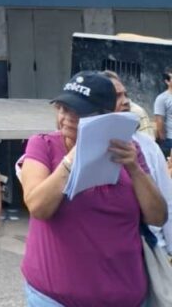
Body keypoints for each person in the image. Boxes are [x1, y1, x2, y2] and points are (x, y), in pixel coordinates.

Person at [19, 71, 167, 306]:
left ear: (106, 118)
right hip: (55, 299)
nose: (66, 117)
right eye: (62, 108)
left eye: (78, 112)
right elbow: (38, 206)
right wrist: (72, 159)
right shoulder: (43, 145)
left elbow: (158, 216)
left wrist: (135, 170)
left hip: (126, 296)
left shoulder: (129, 151)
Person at [103, 70, 172, 258]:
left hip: (148, 248)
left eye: (126, 95)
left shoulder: (147, 146)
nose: (126, 101)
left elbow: (166, 200)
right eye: (116, 96)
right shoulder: (79, 148)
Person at [154, 69, 172, 158]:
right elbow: (159, 121)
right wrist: (163, 140)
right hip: (169, 140)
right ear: (167, 81)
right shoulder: (162, 99)